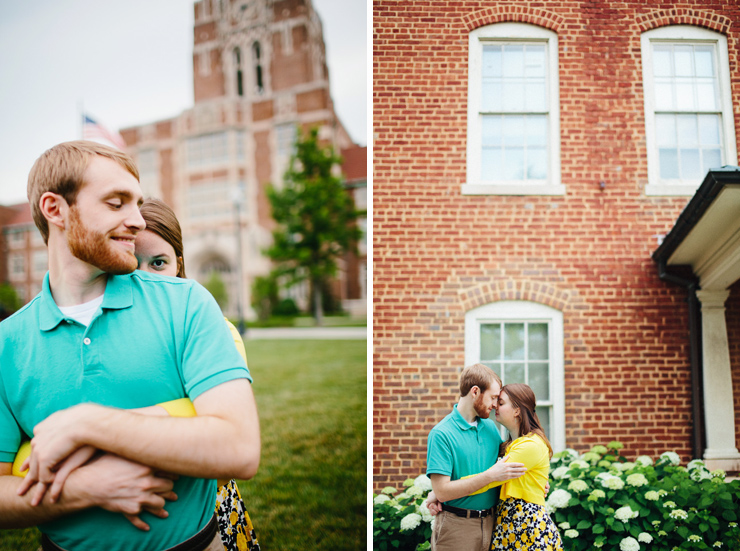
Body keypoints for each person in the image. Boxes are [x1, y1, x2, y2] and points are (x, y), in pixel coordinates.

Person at [0, 140, 260, 551]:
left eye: (137, 204)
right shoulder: (6, 343)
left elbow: (240, 449)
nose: (138, 221)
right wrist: (86, 488)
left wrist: (85, 424)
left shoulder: (185, 302)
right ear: (55, 210)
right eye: (117, 203)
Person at [136, 197, 260, 551]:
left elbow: (227, 454)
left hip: (208, 513)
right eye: (131, 265)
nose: (145, 277)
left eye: (158, 262)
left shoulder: (214, 331)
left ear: (178, 264)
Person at [426, 363, 527, 551]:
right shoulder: (441, 434)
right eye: (493, 397)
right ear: (475, 392)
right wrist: (490, 476)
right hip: (457, 528)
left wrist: (535, 482)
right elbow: (443, 491)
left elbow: (507, 467)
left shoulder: (490, 427)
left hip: (493, 523)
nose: (495, 404)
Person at [466, 383, 563, 551]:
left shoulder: (530, 445)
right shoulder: (510, 446)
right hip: (511, 529)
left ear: (517, 410)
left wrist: (446, 490)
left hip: (529, 531)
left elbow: (489, 480)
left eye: (501, 403)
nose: (495, 405)